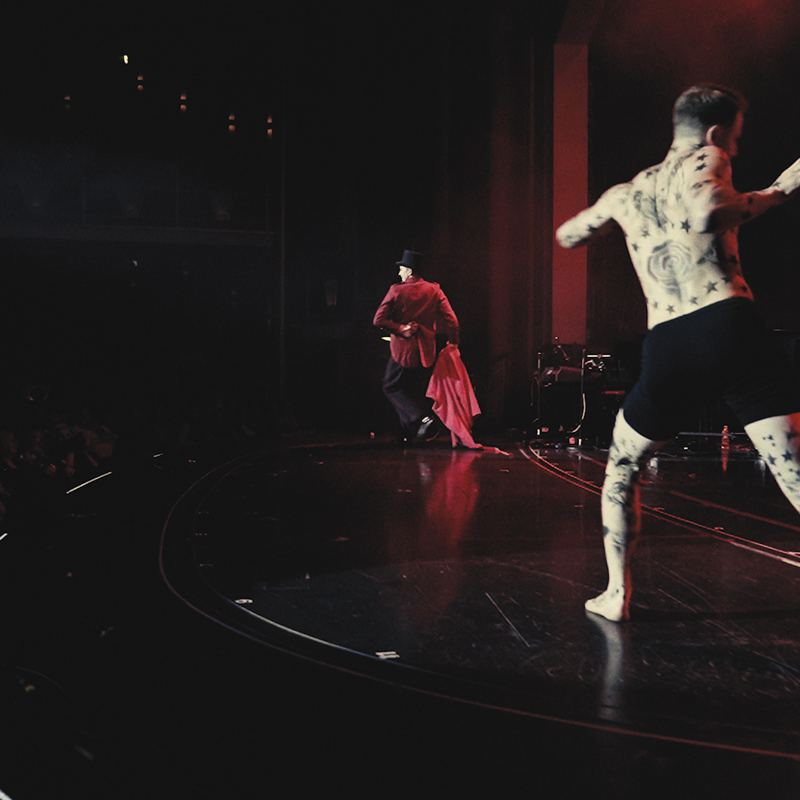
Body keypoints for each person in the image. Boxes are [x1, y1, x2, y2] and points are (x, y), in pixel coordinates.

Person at [556, 83, 800, 622]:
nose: (733, 149)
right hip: (726, 324)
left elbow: (569, 235)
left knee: (623, 467)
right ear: (714, 133)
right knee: (792, 469)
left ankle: (616, 594)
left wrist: (612, 216)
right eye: (734, 138)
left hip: (668, 343)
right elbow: (708, 213)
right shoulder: (707, 157)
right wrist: (779, 190)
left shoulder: (625, 193)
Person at [373, 250, 460, 442]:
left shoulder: (397, 290)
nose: (399, 273)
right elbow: (452, 320)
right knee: (411, 390)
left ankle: (423, 419)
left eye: (402, 269)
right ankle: (412, 434)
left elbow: (378, 320)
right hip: (426, 351)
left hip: (403, 351)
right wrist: (453, 342)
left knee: (390, 386)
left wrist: (400, 329)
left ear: (410, 270)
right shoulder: (434, 290)